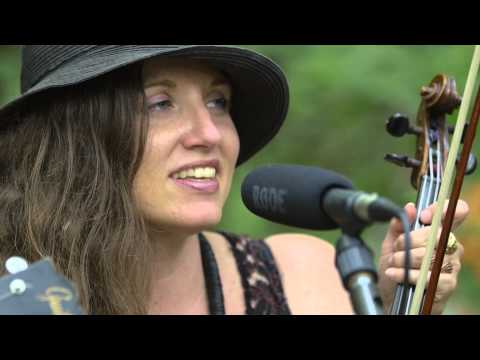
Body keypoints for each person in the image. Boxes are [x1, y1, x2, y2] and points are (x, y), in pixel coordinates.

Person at [0, 45, 468, 315]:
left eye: (218, 102)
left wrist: (390, 300)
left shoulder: (307, 277)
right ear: (76, 138)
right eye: (160, 103)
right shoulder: (21, 295)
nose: (208, 134)